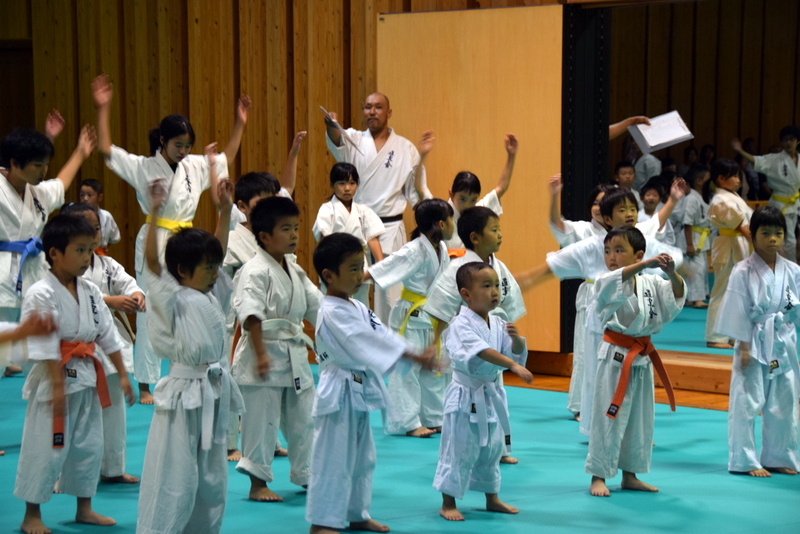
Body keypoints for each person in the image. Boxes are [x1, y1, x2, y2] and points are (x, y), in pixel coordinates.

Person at [92, 74, 249, 404]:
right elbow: (107, 151)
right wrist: (103, 107)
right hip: (155, 236)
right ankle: (146, 382)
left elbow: (226, 157)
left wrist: (239, 124)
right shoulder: (144, 166)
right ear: (162, 141)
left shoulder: (193, 166)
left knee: (194, 300)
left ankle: (190, 365)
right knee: (150, 306)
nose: (184, 151)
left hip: (186, 239)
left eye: (188, 146)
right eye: (178, 145)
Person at [306, 232, 437, 534]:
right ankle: (322, 521)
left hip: (358, 388)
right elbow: (363, 340)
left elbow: (382, 335)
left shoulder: (356, 306)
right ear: (329, 275)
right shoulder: (331, 310)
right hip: (338, 391)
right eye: (353, 269)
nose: (360, 275)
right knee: (334, 458)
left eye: (361, 266)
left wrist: (414, 352)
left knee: (362, 457)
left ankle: (357, 513)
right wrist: (413, 356)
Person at [136, 174, 245, 534]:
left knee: (212, 478)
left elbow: (218, 250)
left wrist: (225, 211)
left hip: (212, 390)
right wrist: (154, 213)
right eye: (207, 267)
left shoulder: (209, 294)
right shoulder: (172, 296)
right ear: (183, 271)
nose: (215, 273)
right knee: (176, 474)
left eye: (215, 267)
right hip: (183, 396)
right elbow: (153, 264)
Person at [14, 214, 134, 534]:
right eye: (80, 250)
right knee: (45, 448)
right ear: (54, 253)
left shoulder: (90, 290)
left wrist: (123, 374)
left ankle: (84, 508)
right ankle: (31, 514)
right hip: (53, 379)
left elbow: (107, 334)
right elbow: (44, 344)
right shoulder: (41, 292)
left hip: (87, 378)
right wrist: (56, 387)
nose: (87, 257)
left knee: (88, 445)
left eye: (90, 250)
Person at [231, 196, 322, 502]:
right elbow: (251, 315)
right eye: (286, 229)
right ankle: (257, 483)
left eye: (296, 227)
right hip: (264, 352)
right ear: (265, 236)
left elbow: (317, 306)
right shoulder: (254, 270)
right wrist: (259, 356)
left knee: (305, 418)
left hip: (294, 352)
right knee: (261, 421)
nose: (294, 234)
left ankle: (307, 475)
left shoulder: (294, 269)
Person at [585, 226, 685, 497]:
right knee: (608, 417)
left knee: (640, 421)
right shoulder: (605, 280)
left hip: (641, 359)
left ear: (638, 254)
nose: (611, 256)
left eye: (619, 250)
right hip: (615, 359)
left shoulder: (651, 283)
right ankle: (598, 475)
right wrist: (646, 264)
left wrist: (671, 273)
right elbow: (611, 286)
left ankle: (630, 475)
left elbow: (676, 296)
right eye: (607, 250)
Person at [425, 206, 525, 463]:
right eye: (494, 230)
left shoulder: (498, 267)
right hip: (467, 345)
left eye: (499, 229)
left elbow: (509, 305)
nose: (500, 235)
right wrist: (433, 344)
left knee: (497, 394)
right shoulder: (458, 268)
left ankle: (498, 449)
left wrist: (510, 336)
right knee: (465, 404)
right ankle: (463, 452)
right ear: (475, 237)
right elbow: (441, 309)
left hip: (492, 335)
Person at [434, 262, 531, 521]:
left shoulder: (498, 322)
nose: (494, 291)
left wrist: (517, 341)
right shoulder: (459, 324)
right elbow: (481, 351)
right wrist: (512, 365)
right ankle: (448, 503)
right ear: (466, 294)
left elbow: (513, 352)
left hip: (490, 394)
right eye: (486, 286)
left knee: (492, 449)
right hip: (465, 395)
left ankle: (492, 498)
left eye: (496, 285)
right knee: (458, 448)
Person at [324, 92, 431, 322]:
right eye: (367, 107)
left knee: (390, 295)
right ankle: (357, 336)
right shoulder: (353, 138)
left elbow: (416, 192)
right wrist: (331, 125)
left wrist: (427, 223)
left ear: (389, 112)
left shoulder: (405, 148)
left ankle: (389, 341)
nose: (372, 112)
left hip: (390, 228)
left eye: (378, 107)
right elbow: (336, 140)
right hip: (358, 227)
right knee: (355, 289)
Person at [0, 125, 96, 380]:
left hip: (35, 276)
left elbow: (61, 183)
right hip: (2, 277)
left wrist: (80, 152)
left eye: (45, 164)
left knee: (42, 350)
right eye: (37, 165)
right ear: (14, 163)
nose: (44, 171)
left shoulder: (38, 192)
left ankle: (50, 399)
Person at [61, 202, 144, 484]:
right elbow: (76, 295)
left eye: (96, 228)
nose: (94, 234)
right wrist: (110, 301)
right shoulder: (61, 268)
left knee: (114, 408)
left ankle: (112, 467)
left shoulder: (106, 264)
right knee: (74, 412)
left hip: (107, 345)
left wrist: (136, 294)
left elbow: (127, 282)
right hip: (75, 349)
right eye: (86, 228)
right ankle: (63, 472)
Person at [716, 206, 800, 477]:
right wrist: (743, 348)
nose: (773, 238)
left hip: (783, 341)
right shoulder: (742, 270)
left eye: (778, 233)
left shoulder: (793, 270)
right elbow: (737, 311)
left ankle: (779, 456)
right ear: (752, 235)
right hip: (753, 340)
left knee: (784, 401)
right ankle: (745, 460)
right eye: (765, 233)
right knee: (747, 401)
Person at [367, 198, 453, 437]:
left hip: (432, 314)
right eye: (451, 220)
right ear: (441, 224)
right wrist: (356, 278)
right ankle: (407, 422)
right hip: (412, 314)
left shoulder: (442, 249)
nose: (453, 224)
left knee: (433, 367)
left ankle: (434, 417)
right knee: (407, 370)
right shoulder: (415, 249)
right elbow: (385, 268)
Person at [547, 176, 615, 420]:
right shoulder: (584, 230)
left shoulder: (622, 233)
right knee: (586, 351)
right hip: (591, 295)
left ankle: (610, 401)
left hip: (617, 296)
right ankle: (581, 404)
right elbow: (558, 225)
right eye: (595, 203)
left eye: (603, 203)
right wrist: (555, 195)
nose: (598, 207)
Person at [312, 162, 385, 305]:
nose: (347, 188)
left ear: (357, 185)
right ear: (332, 185)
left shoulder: (363, 211)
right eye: (342, 183)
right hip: (335, 265)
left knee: (360, 306)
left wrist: (381, 264)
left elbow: (372, 239)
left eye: (352, 183)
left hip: (359, 266)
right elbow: (325, 240)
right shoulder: (327, 209)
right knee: (334, 306)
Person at [704, 159, 753, 349]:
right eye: (734, 176)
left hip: (737, 245)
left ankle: (732, 335)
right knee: (722, 291)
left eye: (738, 175)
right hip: (728, 245)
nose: (738, 180)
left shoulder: (731, 196)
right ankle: (716, 336)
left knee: (737, 292)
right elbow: (742, 227)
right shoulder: (721, 199)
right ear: (721, 179)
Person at [732, 126, 800, 261]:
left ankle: (788, 266)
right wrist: (740, 150)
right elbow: (756, 160)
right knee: (786, 240)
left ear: (797, 141)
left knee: (790, 239)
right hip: (780, 204)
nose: (788, 142)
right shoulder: (775, 159)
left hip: (794, 204)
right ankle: (782, 266)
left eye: (791, 139)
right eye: (785, 140)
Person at [442, 133, 518, 250]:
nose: (467, 205)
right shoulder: (442, 220)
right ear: (451, 194)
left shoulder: (477, 212)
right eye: (463, 199)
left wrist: (511, 156)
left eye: (473, 200)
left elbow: (501, 188)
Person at [681, 165, 712, 308]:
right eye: (707, 179)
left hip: (701, 236)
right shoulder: (691, 198)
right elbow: (687, 223)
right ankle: (696, 299)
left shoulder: (701, 197)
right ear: (699, 181)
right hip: (693, 238)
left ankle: (697, 295)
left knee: (702, 268)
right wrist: (689, 245)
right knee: (697, 268)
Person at [79, 179, 120, 254]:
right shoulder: (75, 216)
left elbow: (114, 238)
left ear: (100, 197)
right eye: (82, 195)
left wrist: (102, 249)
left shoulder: (106, 216)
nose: (85, 198)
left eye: (89, 195)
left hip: (100, 253)